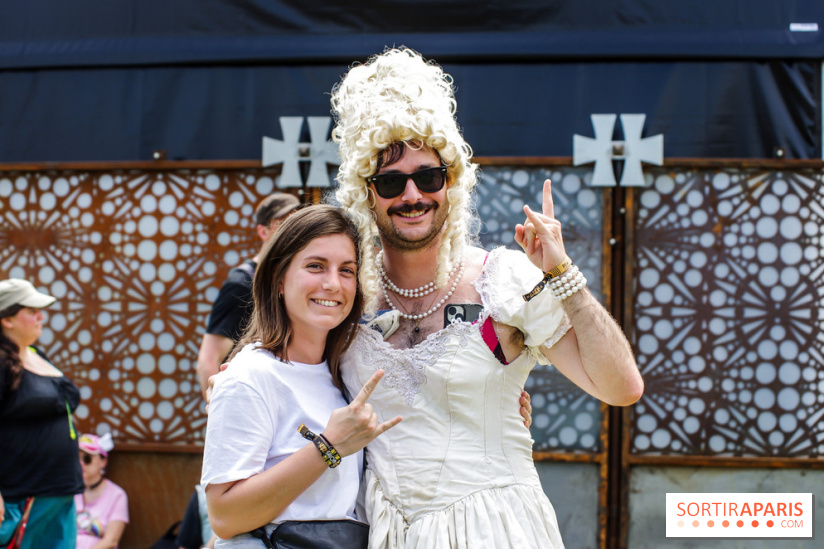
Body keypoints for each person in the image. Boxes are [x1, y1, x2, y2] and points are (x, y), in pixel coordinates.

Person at [329, 47, 645, 547]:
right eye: (391, 180)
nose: (412, 195)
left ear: (450, 182)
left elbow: (621, 388)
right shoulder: (347, 297)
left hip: (496, 530)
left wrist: (564, 274)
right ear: (368, 192)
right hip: (386, 534)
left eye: (427, 176)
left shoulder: (501, 278)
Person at [201, 205, 402, 547]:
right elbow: (224, 516)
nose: (332, 284)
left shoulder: (344, 373)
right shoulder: (249, 376)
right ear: (279, 280)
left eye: (347, 270)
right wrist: (328, 446)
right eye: (315, 266)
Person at [0, 278, 84, 549]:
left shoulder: (37, 354)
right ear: (7, 319)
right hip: (20, 497)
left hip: (59, 492)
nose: (41, 316)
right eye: (32, 310)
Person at [196, 191, 301, 399]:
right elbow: (208, 360)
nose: (292, 232)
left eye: (296, 224)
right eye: (282, 224)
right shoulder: (242, 285)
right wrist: (219, 410)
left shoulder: (295, 279)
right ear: (263, 232)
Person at [74, 433, 129, 549]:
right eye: (76, 458)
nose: (81, 464)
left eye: (87, 458)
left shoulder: (117, 495)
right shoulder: (70, 491)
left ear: (103, 461)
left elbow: (111, 541)